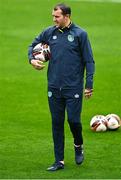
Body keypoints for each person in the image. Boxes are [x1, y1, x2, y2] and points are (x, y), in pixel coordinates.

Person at [28, 3, 95, 171]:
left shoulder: (80, 34)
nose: (54, 19)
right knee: (56, 123)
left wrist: (89, 85)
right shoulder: (49, 32)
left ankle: (78, 145)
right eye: (53, 16)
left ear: (67, 16)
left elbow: (89, 61)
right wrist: (32, 59)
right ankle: (59, 161)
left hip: (73, 88)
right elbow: (32, 46)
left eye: (57, 16)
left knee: (73, 121)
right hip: (53, 86)